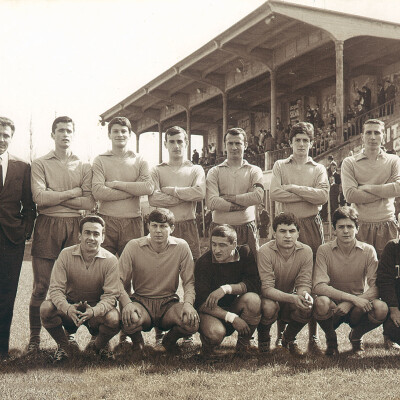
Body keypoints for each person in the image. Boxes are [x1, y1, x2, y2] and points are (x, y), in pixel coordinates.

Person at [29, 116, 95, 353]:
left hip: (75, 226)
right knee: (41, 286)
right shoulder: (39, 163)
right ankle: (34, 340)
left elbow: (88, 201)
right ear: (52, 134)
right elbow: (39, 198)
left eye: (69, 130)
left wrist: (55, 195)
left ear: (73, 134)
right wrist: (72, 193)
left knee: (71, 289)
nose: (65, 134)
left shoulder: (84, 165)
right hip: (47, 225)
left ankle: (67, 339)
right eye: (60, 130)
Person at [270, 121, 329, 353]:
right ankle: (281, 335)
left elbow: (323, 196)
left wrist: (292, 187)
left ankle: (313, 336)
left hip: (311, 226)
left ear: (311, 143)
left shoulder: (318, 168)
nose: (302, 144)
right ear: (290, 143)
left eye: (306, 140)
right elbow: (275, 192)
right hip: (287, 225)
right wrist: (307, 194)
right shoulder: (280, 165)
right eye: (298, 140)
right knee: (284, 277)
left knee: (312, 279)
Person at [148, 126, 205, 347]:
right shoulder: (156, 170)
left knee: (190, 278)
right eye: (171, 142)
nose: (176, 146)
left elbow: (199, 193)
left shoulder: (196, 169)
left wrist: (170, 191)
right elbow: (153, 199)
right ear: (165, 144)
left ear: (187, 142)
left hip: (188, 226)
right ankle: (159, 330)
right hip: (163, 228)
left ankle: (187, 330)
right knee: (161, 278)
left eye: (180, 141)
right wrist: (183, 195)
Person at [118, 208, 199, 355]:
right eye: (154, 225)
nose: (158, 231)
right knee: (129, 317)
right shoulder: (133, 246)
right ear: (148, 226)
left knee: (191, 322)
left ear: (172, 228)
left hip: (168, 303)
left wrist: (188, 304)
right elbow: (117, 280)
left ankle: (169, 341)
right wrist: (127, 304)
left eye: (163, 226)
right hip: (141, 301)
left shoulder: (181, 246)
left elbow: (189, 281)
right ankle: (138, 343)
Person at [40, 215, 120, 362]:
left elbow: (111, 296)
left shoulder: (111, 260)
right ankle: (64, 347)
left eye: (96, 234)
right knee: (46, 308)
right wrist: (68, 308)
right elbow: (56, 289)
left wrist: (94, 311)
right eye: (87, 233)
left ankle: (97, 347)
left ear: (103, 237)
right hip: (71, 310)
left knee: (114, 318)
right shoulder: (65, 254)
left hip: (96, 312)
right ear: (79, 235)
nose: (91, 237)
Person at [313, 206, 388, 356]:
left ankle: (356, 337)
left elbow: (376, 287)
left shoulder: (368, 250)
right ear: (334, 229)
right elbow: (319, 286)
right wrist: (349, 299)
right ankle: (331, 340)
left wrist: (352, 302)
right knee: (321, 302)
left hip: (358, 309)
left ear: (357, 229)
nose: (346, 231)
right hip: (333, 307)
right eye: (341, 227)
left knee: (381, 308)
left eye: (350, 226)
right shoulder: (324, 250)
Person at [0, 117, 36, 360]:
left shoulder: (22, 166)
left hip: (9, 239)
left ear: (11, 138)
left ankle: (1, 350)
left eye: (5, 135)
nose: (1, 139)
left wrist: (24, 230)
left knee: (6, 295)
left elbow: (29, 205)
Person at [195, 225, 261, 356]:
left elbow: (254, 284)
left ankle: (243, 346)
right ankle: (208, 347)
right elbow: (201, 303)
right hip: (210, 311)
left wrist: (226, 289)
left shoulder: (245, 253)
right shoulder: (204, 262)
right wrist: (232, 318)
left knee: (253, 300)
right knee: (215, 333)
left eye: (222, 245)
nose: (216, 250)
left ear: (234, 244)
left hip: (232, 306)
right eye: (213, 244)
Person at [92, 116, 154, 256]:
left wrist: (116, 185)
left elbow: (148, 187)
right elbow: (98, 192)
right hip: (106, 219)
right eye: (115, 131)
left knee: (133, 267)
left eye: (123, 131)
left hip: (133, 220)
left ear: (129, 134)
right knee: (103, 265)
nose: (120, 135)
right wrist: (134, 190)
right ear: (109, 135)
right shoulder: (100, 160)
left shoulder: (139, 159)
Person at [341, 119, 400, 259]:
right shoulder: (350, 162)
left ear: (383, 136)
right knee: (360, 273)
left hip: (387, 224)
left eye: (377, 133)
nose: (372, 137)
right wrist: (385, 190)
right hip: (360, 226)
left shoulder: (393, 160)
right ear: (362, 136)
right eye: (368, 132)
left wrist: (366, 187)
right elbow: (350, 195)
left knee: (387, 273)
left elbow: (398, 189)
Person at [257, 213, 314, 355]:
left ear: (298, 234)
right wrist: (293, 298)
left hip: (289, 297)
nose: (288, 236)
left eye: (292, 231)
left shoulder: (306, 251)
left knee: (307, 305)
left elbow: (304, 283)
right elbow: (266, 289)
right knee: (269, 307)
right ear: (274, 233)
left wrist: (304, 295)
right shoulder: (264, 251)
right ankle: (263, 340)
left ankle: (287, 340)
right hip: (268, 298)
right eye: (282, 231)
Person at [206, 127, 264, 260]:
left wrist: (230, 198)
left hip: (246, 229)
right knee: (220, 273)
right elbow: (212, 202)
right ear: (225, 145)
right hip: (220, 230)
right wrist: (243, 203)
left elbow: (257, 196)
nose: (234, 147)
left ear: (246, 145)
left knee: (250, 271)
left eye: (238, 143)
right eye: (230, 143)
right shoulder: (214, 171)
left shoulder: (254, 171)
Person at [376, 238, 400, 350]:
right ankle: (390, 337)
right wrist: (394, 309)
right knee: (394, 329)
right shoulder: (392, 247)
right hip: (397, 304)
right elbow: (384, 281)